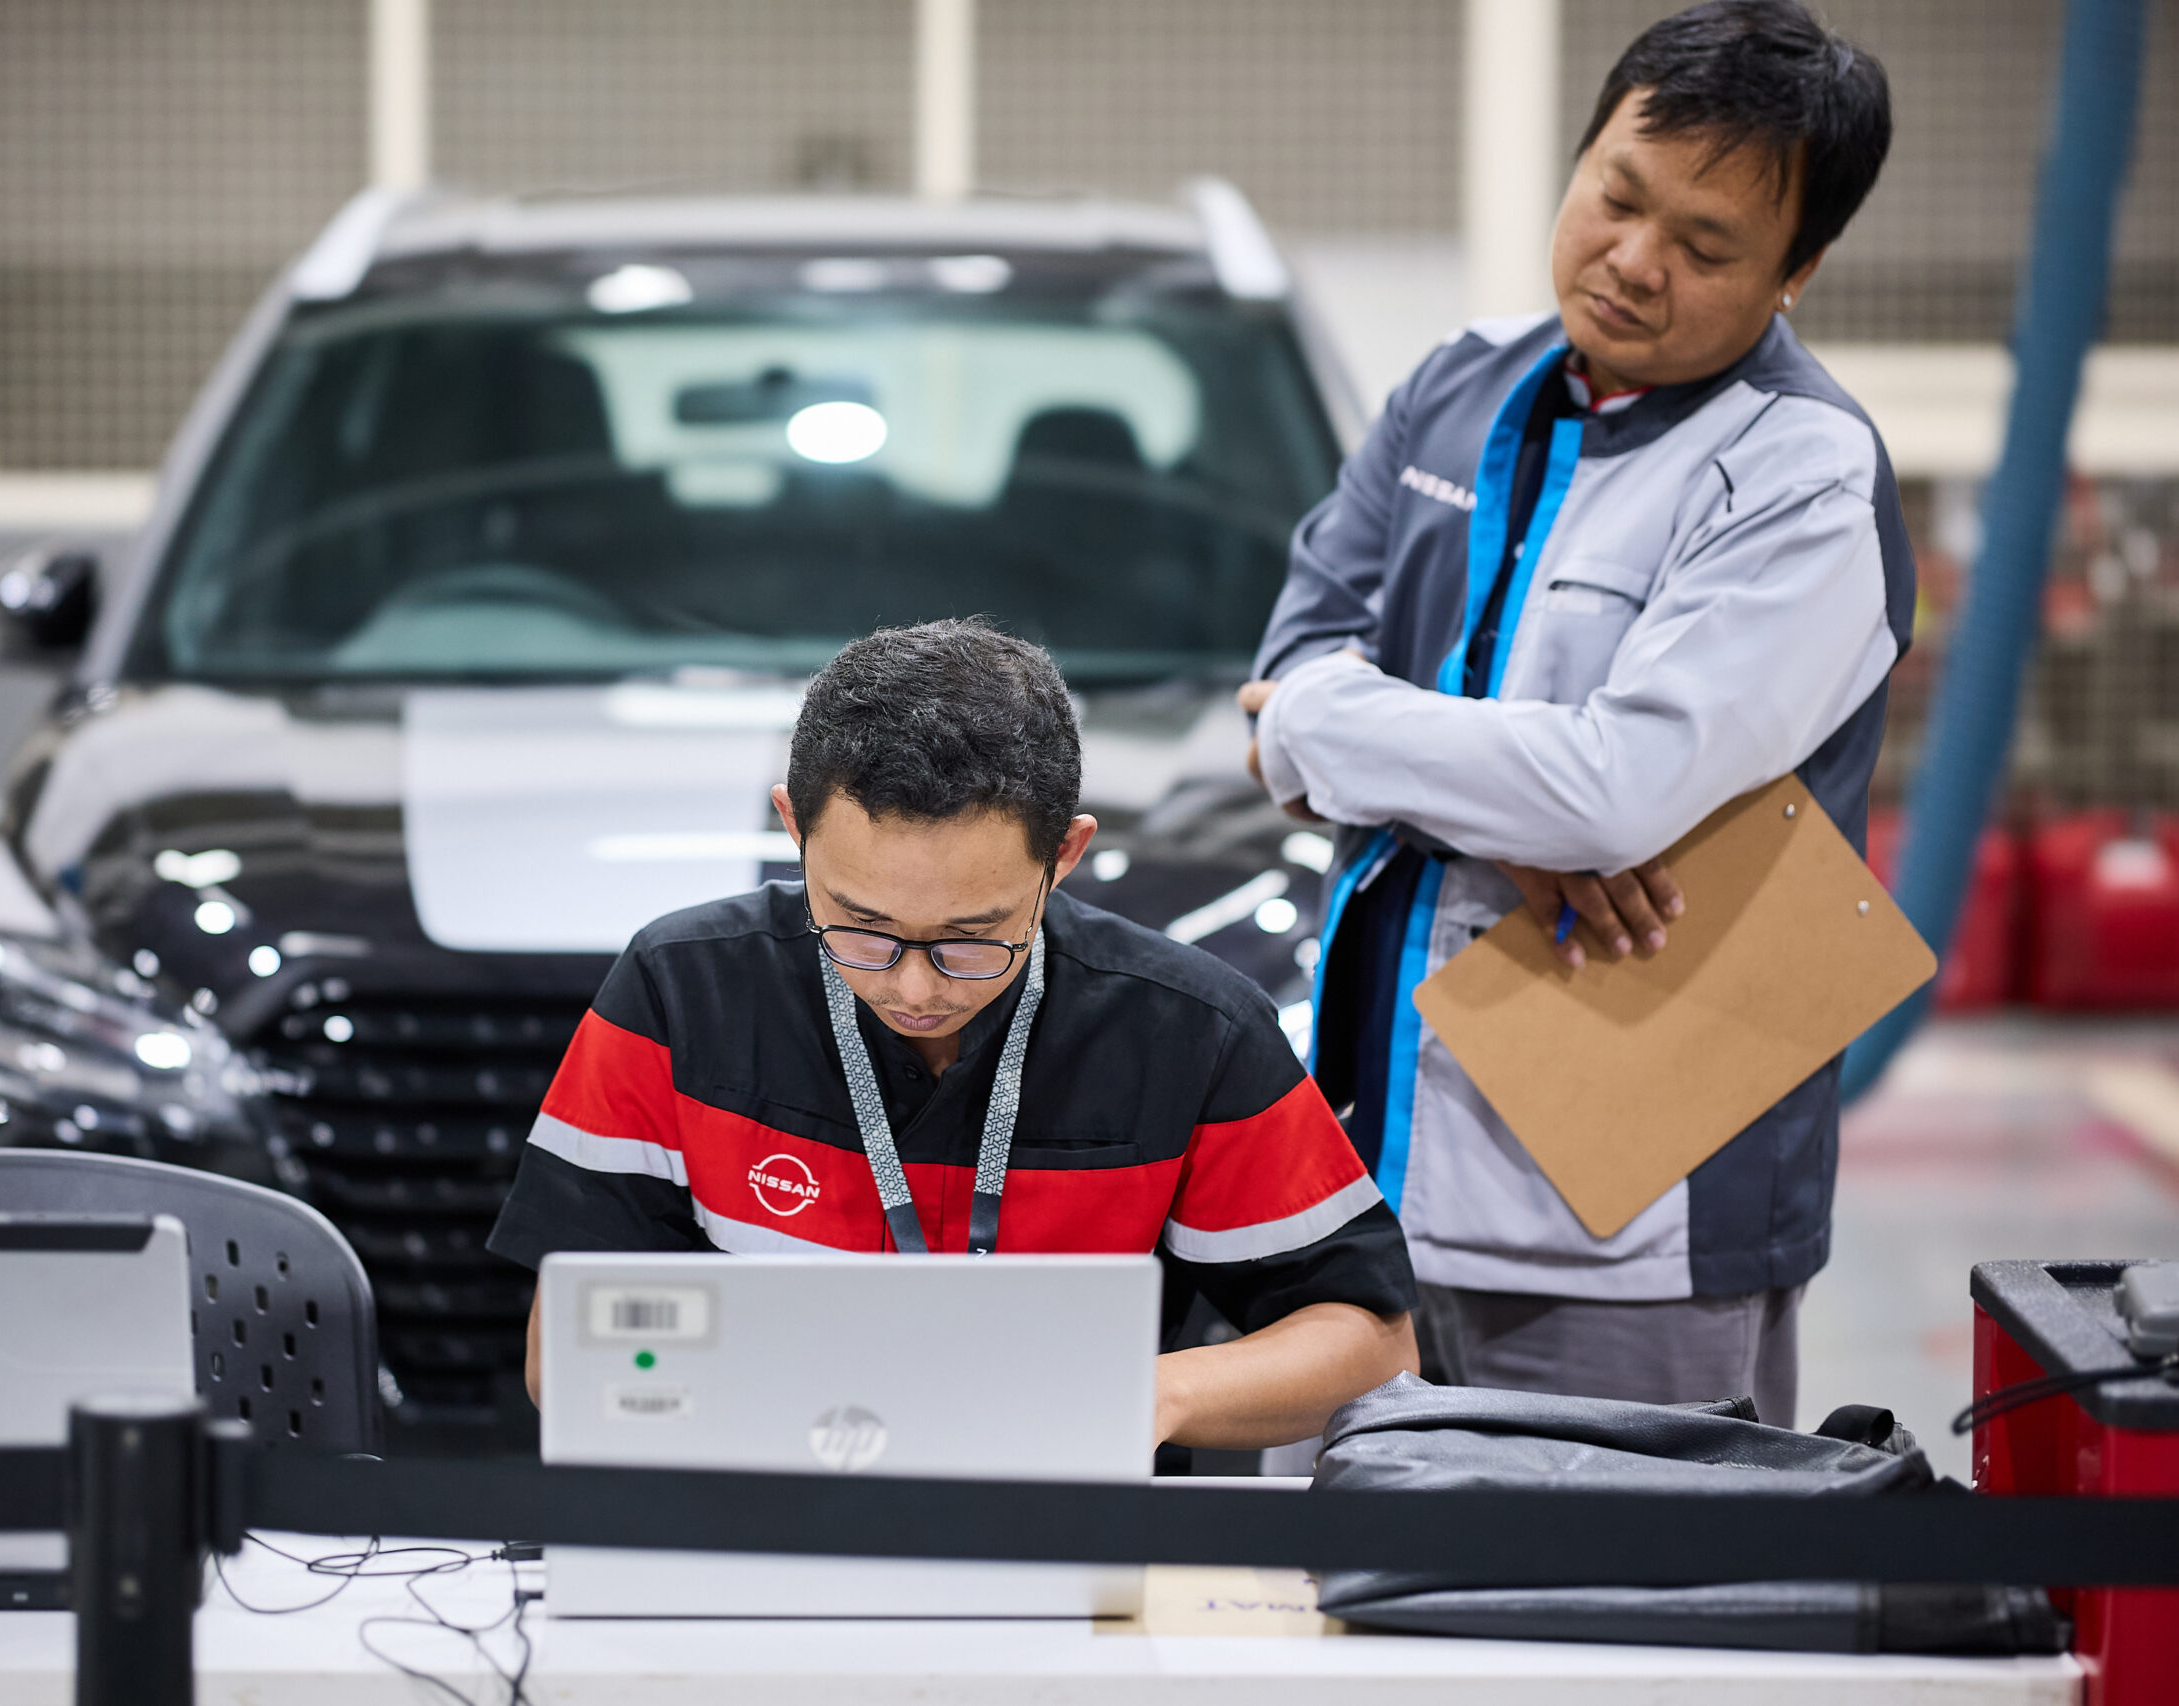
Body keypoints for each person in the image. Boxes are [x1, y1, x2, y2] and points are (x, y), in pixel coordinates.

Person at [1240, 0, 1900, 1429]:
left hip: (1632, 1206)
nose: (1635, 262)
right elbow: (1277, 687)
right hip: (1364, 1166)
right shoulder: (1454, 387)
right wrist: (1486, 788)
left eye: (1708, 247)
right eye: (1617, 195)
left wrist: (1348, 732)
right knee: (1330, 1627)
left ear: (1801, 271)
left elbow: (1609, 796)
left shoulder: (1799, 476)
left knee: (1616, 1624)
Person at [492, 618, 1417, 1452]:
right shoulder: (678, 991)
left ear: (1065, 855)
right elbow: (562, 1361)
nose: (913, 987)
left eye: (972, 940)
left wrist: (1149, 1395)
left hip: (1057, 1528)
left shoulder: (1188, 1028)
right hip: (744, 1511)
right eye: (860, 926)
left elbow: (1373, 1344)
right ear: (793, 828)